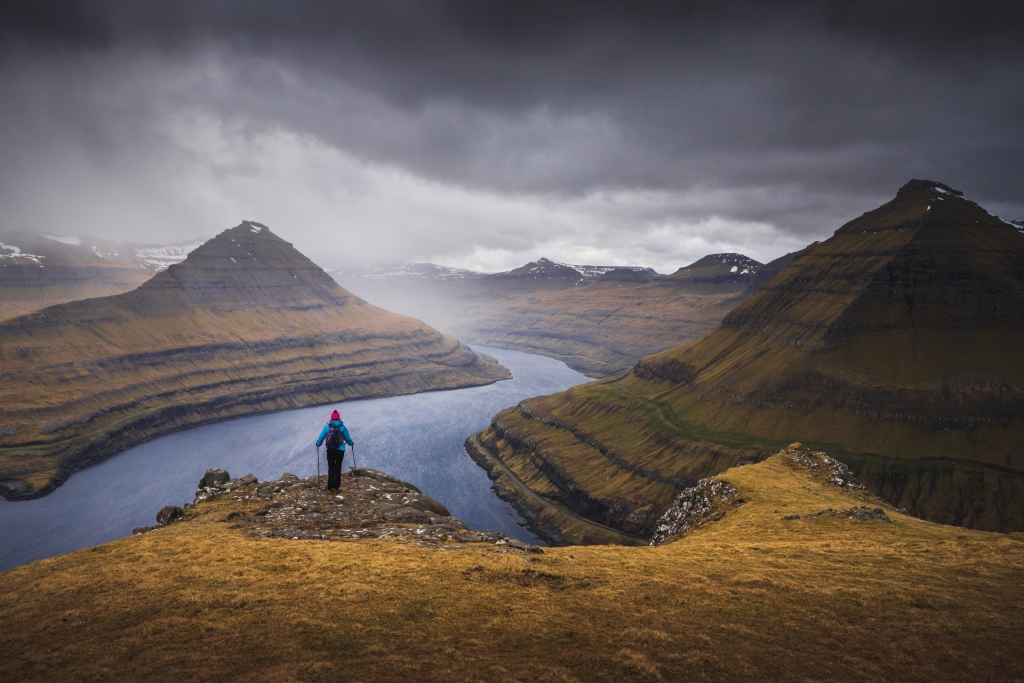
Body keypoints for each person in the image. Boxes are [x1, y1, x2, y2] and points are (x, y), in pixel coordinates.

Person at [316, 409, 353, 492]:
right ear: (339, 418)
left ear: (331, 418)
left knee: (331, 467)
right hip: (340, 451)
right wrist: (351, 444)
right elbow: (347, 438)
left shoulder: (327, 427)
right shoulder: (342, 427)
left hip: (330, 450)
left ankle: (330, 488)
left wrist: (318, 444)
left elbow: (321, 437)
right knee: (338, 467)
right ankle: (336, 488)